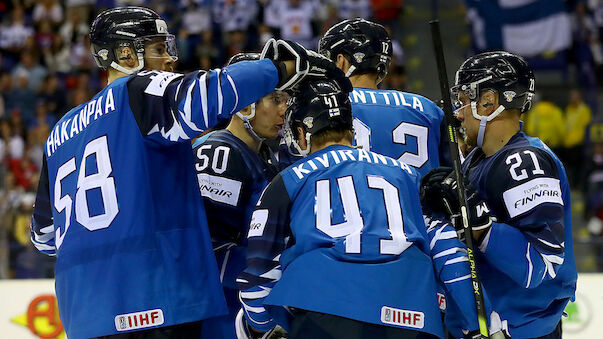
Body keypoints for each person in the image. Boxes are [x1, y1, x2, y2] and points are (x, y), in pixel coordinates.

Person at [29, 6, 335, 338]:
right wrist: (280, 68)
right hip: (154, 297)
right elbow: (206, 97)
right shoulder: (138, 90)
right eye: (159, 49)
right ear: (126, 55)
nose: (170, 59)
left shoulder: (59, 132)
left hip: (82, 314)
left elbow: (44, 236)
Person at [236, 78, 485, 339]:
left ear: (302, 132)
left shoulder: (289, 179)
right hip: (411, 317)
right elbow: (447, 246)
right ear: (350, 128)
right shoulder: (409, 176)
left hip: (324, 313)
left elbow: (257, 278)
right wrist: (476, 324)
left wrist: (264, 326)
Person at [421, 51, 577, 338]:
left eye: (465, 100)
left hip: (518, 328)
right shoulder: (478, 159)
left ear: (489, 101)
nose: (458, 111)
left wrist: (481, 226)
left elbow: (539, 266)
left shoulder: (524, 162)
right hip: (487, 325)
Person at [192, 52, 287, 338]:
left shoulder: (269, 155)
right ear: (245, 106)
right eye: (275, 99)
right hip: (222, 308)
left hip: (251, 300)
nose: (284, 109)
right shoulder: (217, 152)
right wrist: (275, 274)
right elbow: (207, 251)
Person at [318, 18, 448, 178]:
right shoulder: (428, 108)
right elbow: (454, 174)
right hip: (418, 201)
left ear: (341, 61)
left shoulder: (325, 105)